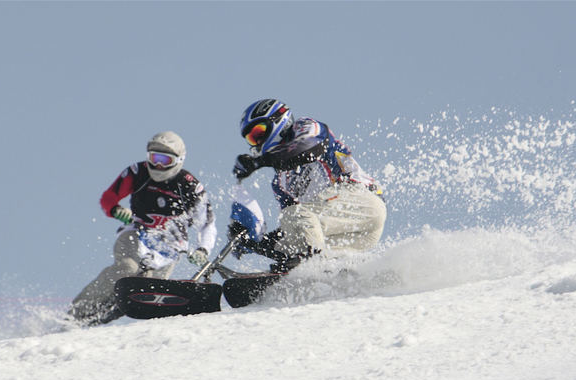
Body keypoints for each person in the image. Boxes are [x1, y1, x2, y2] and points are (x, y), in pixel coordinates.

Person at [70, 131, 216, 325]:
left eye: (164, 160)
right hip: (136, 234)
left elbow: (207, 224)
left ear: (178, 160)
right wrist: (116, 210)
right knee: (127, 269)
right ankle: (76, 312)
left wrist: (202, 250)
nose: (158, 166)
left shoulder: (189, 186)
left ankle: (102, 316)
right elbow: (108, 198)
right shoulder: (137, 172)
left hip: (169, 248)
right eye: (153, 158)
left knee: (146, 291)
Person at [230, 99, 387, 272]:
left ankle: (308, 265)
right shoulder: (281, 182)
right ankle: (324, 276)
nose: (258, 142)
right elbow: (294, 232)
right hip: (349, 231)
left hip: (364, 202)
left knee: (293, 215)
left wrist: (259, 161)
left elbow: (309, 148)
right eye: (252, 139)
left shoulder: (305, 127)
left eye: (259, 132)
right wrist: (252, 243)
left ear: (278, 120)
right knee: (291, 236)